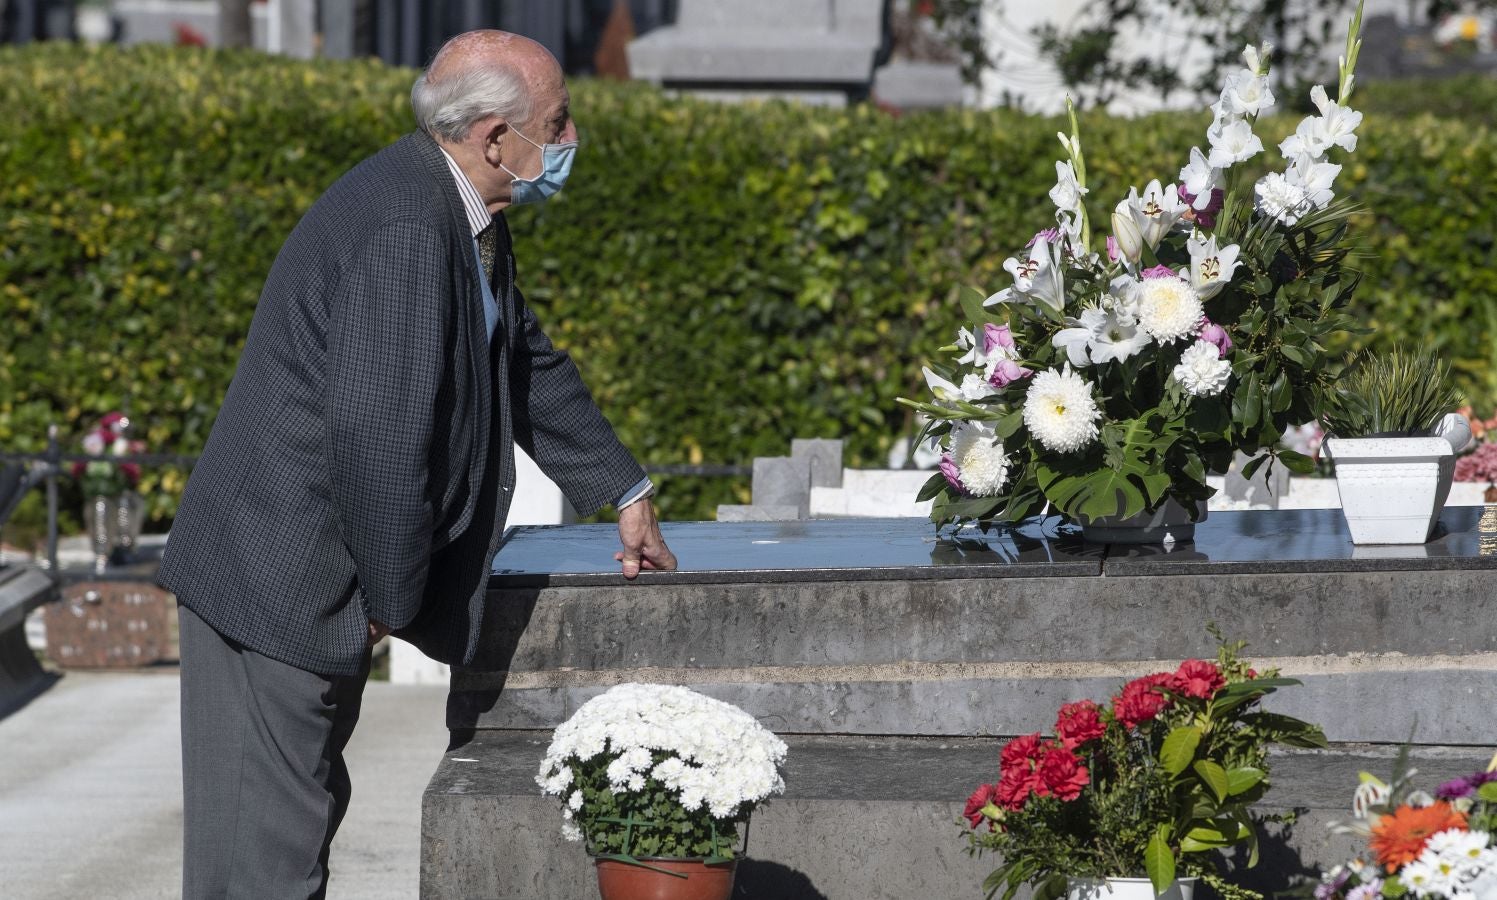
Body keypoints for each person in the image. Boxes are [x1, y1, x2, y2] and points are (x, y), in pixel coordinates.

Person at [156, 30, 676, 898]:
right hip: (278, 584)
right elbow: (381, 444)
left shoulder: (460, 204)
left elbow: (521, 358)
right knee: (261, 867)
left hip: (307, 579)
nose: (572, 141)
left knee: (293, 836)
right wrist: (391, 600)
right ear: (494, 137)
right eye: (558, 121)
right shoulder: (406, 227)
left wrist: (625, 491)